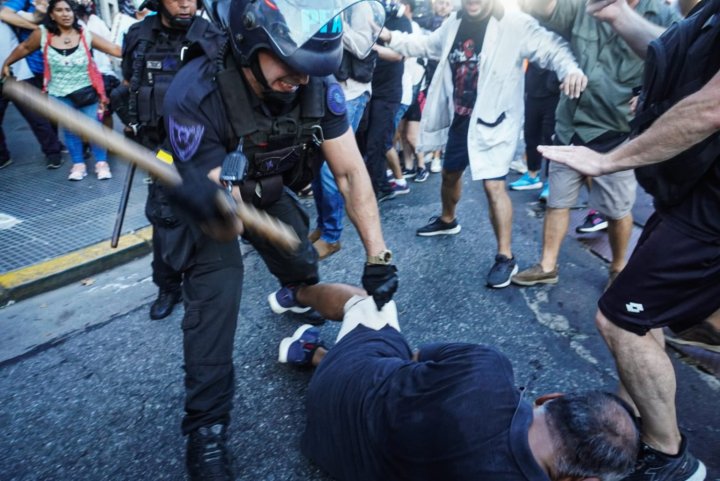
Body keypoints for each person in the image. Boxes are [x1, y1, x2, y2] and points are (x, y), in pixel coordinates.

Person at [160, 1, 396, 478]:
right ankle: (206, 429)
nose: (302, 78)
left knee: (301, 259)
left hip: (266, 190)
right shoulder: (195, 92)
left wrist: (379, 255)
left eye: (312, 69)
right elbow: (223, 222)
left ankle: (294, 292)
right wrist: (220, 214)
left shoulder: (317, 84)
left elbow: (350, 173)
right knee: (215, 301)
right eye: (290, 67)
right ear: (251, 45)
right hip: (211, 203)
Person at [537, 1, 720, 476]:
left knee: (621, 320)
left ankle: (668, 458)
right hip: (693, 197)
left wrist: (608, 160)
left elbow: (711, 108)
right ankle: (636, 412)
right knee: (652, 313)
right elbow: (670, 52)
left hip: (710, 211)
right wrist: (617, 15)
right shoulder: (704, 16)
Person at [276, 282, 641, 481]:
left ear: (549, 398)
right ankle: (313, 354)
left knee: (369, 304)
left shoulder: (487, 367)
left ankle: (296, 293)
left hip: (340, 387)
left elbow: (415, 357)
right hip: (332, 455)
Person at [377, 0, 587, 288]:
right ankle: (448, 219)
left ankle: (505, 256)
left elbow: (552, 49)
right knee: (450, 174)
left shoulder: (514, 24)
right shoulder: (454, 23)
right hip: (462, 120)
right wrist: (390, 37)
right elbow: (426, 44)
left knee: (493, 184)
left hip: (495, 122)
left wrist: (570, 70)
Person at [512, 0, 679, 288]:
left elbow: (680, 66)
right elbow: (542, 8)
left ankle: (617, 267)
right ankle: (547, 266)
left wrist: (651, 96)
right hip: (571, 125)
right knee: (557, 202)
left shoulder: (663, 16)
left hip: (617, 132)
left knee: (617, 210)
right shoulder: (582, 5)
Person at [115, 0, 221, 320]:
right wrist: (131, 122)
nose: (185, 3)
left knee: (205, 215)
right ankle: (168, 286)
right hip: (158, 147)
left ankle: (203, 282)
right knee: (164, 217)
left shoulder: (213, 36)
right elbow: (127, 85)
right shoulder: (139, 35)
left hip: (203, 147)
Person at [2, 0, 121, 181]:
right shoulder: (41, 34)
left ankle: (101, 163)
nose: (65, 14)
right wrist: (7, 63)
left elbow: (114, 49)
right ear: (51, 14)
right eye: (59, 10)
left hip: (87, 91)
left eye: (69, 10)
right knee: (71, 130)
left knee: (94, 129)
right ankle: (78, 164)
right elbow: (24, 48)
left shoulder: (85, 34)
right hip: (58, 92)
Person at [309, 8, 378, 260]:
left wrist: (333, 23)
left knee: (332, 170)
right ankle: (324, 225)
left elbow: (362, 46)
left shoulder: (359, 6)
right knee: (316, 165)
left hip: (351, 93)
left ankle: (332, 236)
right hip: (323, 90)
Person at [0, 0, 64, 169]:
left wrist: (36, 20)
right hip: (16, 72)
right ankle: (2, 156)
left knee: (38, 116)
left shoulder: (15, 12)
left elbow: (34, 18)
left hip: (19, 73)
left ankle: (53, 152)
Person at [364, 1, 412, 202]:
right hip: (367, 87)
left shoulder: (400, 20)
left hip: (388, 93)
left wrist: (369, 47)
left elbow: (399, 55)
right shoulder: (368, 12)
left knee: (377, 143)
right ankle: (381, 184)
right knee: (367, 142)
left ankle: (377, 190)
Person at [508, 62, 559, 198]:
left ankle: (551, 182)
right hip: (532, 88)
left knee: (551, 138)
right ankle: (532, 175)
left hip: (554, 91)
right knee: (531, 134)